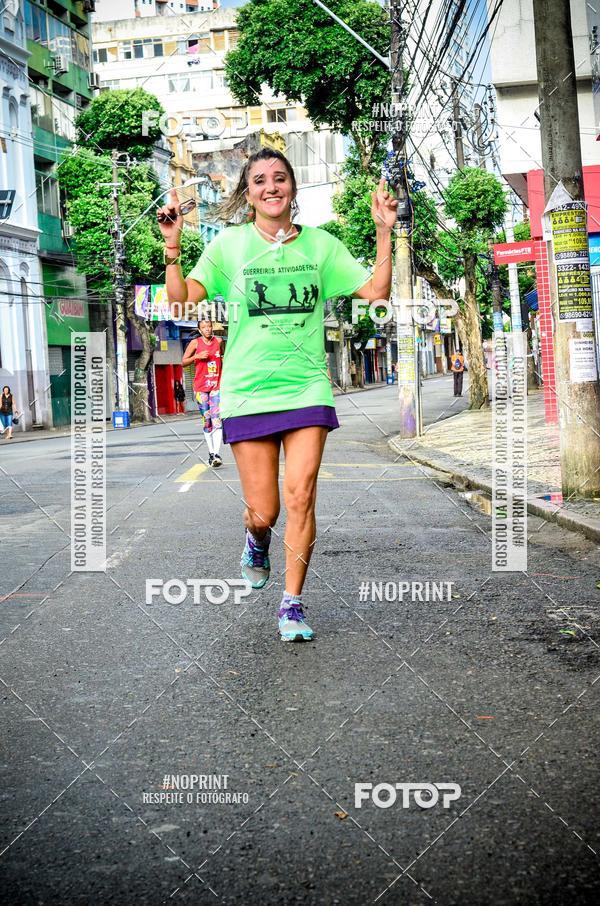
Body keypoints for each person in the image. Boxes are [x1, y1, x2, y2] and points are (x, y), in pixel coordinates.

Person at [157, 147, 396, 641]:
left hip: (307, 386)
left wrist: (384, 231)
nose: (271, 187)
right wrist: (173, 249)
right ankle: (256, 537)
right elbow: (180, 301)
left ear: (293, 188)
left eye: (280, 178)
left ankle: (292, 603)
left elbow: (375, 293)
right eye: (260, 180)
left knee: (302, 495)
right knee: (264, 509)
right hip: (247, 390)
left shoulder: (321, 246)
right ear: (248, 193)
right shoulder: (229, 245)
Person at [182, 319, 224, 467]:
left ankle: (216, 454)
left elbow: (223, 359)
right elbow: (183, 361)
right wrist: (196, 357)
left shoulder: (219, 341)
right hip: (200, 388)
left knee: (217, 420)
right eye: (204, 327)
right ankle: (211, 452)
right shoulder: (195, 343)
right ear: (200, 330)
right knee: (207, 421)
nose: (207, 329)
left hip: (216, 386)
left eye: (209, 326)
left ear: (212, 328)